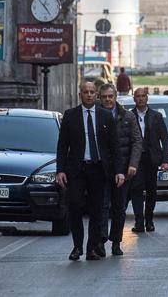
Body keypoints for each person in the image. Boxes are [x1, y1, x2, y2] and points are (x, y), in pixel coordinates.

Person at [56, 81, 124, 261]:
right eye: (85, 92)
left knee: (97, 210)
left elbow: (114, 147)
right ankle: (77, 246)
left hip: (99, 169)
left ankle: (92, 247)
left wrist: (119, 171)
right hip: (77, 170)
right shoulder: (70, 116)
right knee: (76, 206)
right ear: (80, 94)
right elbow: (62, 146)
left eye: (92, 92)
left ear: (96, 95)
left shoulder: (106, 116)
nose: (89, 95)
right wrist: (60, 170)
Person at [98, 84, 142, 256]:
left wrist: (133, 164)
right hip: (101, 171)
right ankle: (100, 241)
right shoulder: (96, 116)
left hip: (123, 171)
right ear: (99, 98)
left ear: (116, 96)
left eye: (111, 96)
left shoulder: (128, 116)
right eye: (104, 97)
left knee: (119, 208)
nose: (108, 100)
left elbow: (137, 141)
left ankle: (116, 241)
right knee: (101, 208)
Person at [128, 87, 168, 233]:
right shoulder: (129, 116)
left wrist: (166, 160)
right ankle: (139, 222)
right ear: (134, 98)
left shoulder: (156, 116)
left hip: (152, 158)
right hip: (136, 159)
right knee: (136, 188)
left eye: (143, 96)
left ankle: (149, 220)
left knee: (151, 190)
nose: (140, 98)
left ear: (147, 98)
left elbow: (164, 139)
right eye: (137, 96)